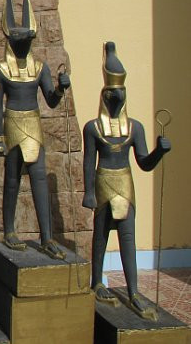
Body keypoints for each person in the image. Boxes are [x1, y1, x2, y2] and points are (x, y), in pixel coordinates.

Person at [83, 41, 171, 320]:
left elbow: (143, 162)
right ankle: (97, 281)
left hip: (125, 183)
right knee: (100, 235)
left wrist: (159, 151)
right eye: (112, 91)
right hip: (103, 181)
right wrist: (88, 192)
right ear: (104, 94)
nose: (116, 96)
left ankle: (133, 291)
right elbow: (88, 162)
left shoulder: (135, 128)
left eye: (120, 91)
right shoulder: (93, 128)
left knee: (127, 236)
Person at [0, 0, 70, 259]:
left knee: (39, 179)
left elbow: (51, 101)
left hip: (33, 124)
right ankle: (9, 231)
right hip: (13, 122)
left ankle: (47, 237)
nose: (24, 43)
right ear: (10, 40)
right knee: (12, 178)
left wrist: (60, 88)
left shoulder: (40, 68)